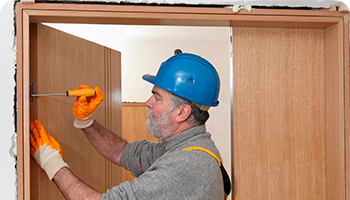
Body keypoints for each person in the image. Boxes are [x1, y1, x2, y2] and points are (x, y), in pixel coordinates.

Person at [30, 51, 231, 200]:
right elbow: (126, 153)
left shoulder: (186, 165)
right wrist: (86, 122)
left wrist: (51, 162)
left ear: (182, 112)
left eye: (157, 98)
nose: (148, 102)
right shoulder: (184, 148)